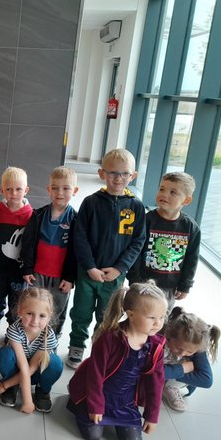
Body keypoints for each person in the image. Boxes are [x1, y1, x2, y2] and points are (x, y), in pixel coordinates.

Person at [66, 149, 146, 369]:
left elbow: (138, 241)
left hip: (114, 276)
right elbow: (79, 237)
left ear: (133, 176)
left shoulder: (136, 206)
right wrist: (90, 267)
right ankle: (76, 345)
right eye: (112, 173)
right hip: (87, 273)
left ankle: (100, 349)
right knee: (81, 312)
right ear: (102, 173)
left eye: (124, 174)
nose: (118, 178)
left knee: (107, 316)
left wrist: (120, 268)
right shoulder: (91, 202)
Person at [67, 282, 167, 440]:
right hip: (96, 395)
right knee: (93, 434)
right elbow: (95, 374)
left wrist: (152, 415)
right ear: (131, 315)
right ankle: (77, 405)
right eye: (152, 318)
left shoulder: (157, 346)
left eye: (162, 317)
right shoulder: (110, 338)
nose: (158, 323)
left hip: (125, 402)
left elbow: (156, 382)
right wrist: (95, 406)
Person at [128, 172, 201, 309]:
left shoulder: (191, 227)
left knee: (161, 318)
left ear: (186, 200)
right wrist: (134, 279)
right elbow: (135, 251)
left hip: (169, 287)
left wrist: (185, 285)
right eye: (162, 189)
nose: (164, 194)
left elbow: (192, 259)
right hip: (142, 284)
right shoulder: (146, 221)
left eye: (173, 192)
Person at [21, 166, 79, 336]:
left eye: (66, 188)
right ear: (48, 190)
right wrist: (27, 268)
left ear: (75, 191)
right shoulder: (38, 215)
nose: (59, 192)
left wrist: (70, 277)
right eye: (55, 188)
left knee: (56, 310)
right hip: (37, 274)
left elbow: (76, 251)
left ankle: (51, 340)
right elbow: (28, 243)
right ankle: (30, 337)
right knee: (33, 304)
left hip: (60, 278)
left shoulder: (76, 219)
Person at [0, 287, 63, 413]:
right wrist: (27, 401)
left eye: (42, 316)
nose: (35, 321)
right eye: (29, 313)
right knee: (4, 354)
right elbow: (24, 367)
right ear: (20, 311)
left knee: (56, 363)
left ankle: (42, 390)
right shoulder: (15, 330)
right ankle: (13, 387)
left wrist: (5, 385)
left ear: (49, 317)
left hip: (37, 373)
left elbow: (31, 368)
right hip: (19, 369)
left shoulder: (49, 335)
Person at [0, 166, 33, 331]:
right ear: (2, 190)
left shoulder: (31, 216)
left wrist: (29, 268)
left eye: (18, 189)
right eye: (9, 189)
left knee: (17, 301)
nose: (13, 193)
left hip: (19, 271)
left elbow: (32, 245)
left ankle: (13, 329)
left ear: (26, 190)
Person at [162, 306, 220, 411]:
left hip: (168, 375)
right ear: (169, 334)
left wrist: (170, 373)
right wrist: (182, 369)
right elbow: (150, 369)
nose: (182, 353)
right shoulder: (159, 338)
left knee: (195, 368)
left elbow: (206, 380)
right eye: (178, 348)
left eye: (189, 352)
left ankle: (171, 387)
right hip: (158, 372)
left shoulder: (197, 345)